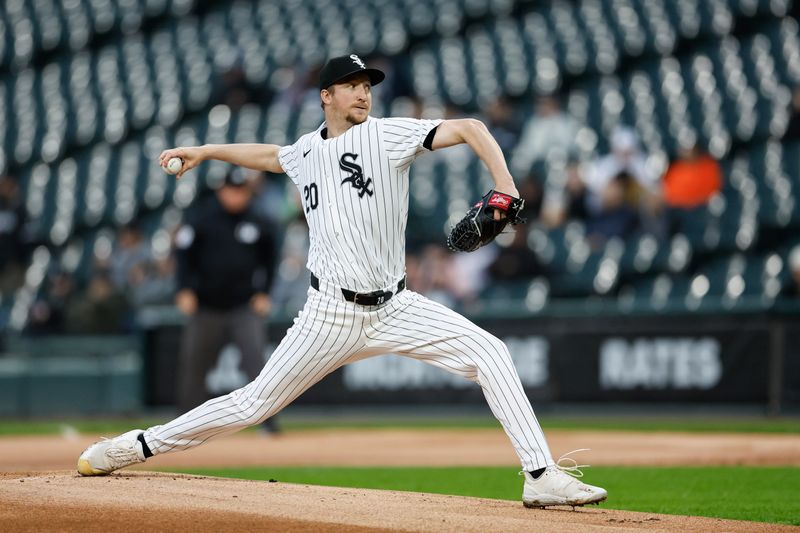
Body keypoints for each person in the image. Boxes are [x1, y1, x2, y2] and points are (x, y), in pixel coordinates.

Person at [77, 54, 606, 509]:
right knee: (252, 404)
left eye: (368, 85)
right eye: (353, 85)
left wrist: (505, 186)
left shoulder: (387, 135)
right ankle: (135, 447)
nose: (363, 93)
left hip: (396, 306)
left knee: (491, 353)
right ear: (326, 95)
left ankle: (540, 478)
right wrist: (206, 152)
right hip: (329, 314)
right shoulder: (306, 151)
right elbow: (269, 156)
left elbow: (471, 127)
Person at [172, 168, 279, 431]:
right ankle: (183, 425)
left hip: (243, 306)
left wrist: (265, 292)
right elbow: (183, 255)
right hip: (207, 306)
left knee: (258, 365)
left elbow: (271, 259)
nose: (236, 196)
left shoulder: (258, 220)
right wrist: (184, 289)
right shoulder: (202, 218)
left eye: (241, 191)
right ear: (222, 190)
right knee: (195, 365)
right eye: (231, 190)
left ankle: (268, 424)